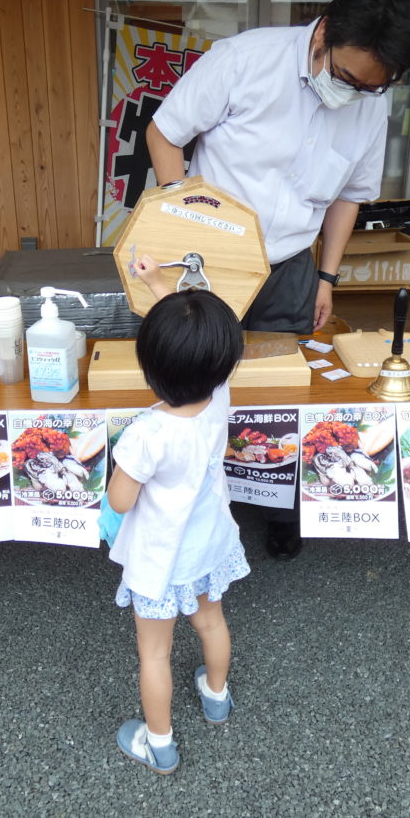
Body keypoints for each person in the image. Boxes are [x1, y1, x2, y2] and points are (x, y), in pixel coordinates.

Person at [145, 0, 410, 560]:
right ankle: (191, 497)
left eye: (374, 86)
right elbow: (165, 133)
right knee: (197, 384)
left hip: (292, 262)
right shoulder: (244, 60)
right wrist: (185, 222)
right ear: (323, 34)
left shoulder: (373, 98)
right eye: (350, 77)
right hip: (210, 260)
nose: (356, 93)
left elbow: (350, 193)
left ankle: (277, 506)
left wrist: (327, 276)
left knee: (278, 394)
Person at [106, 254, 250, 775]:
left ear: (149, 368)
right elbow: (197, 347)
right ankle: (216, 696)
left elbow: (121, 501)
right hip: (209, 541)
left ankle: (159, 743)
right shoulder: (219, 398)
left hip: (161, 559)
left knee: (155, 653)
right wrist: (160, 285)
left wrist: (117, 475)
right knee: (210, 621)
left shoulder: (148, 435)